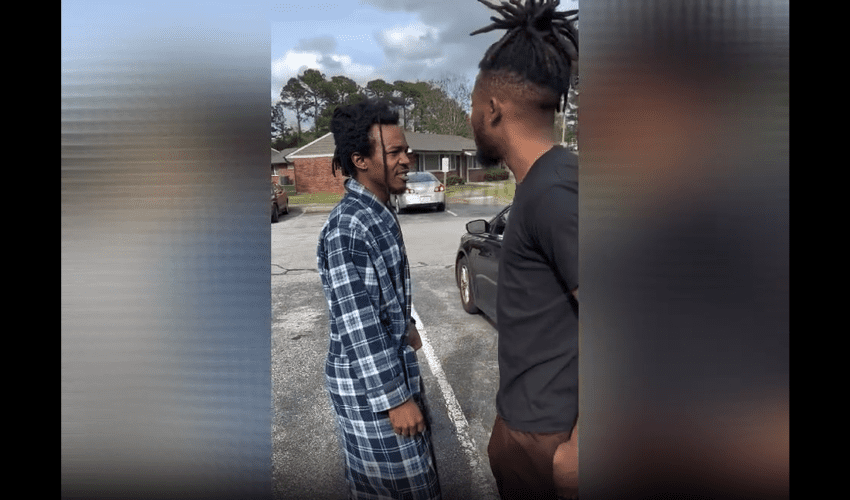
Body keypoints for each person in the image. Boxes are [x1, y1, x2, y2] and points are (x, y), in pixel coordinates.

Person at [469, 1, 579, 499]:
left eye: (473, 104)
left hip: (551, 437)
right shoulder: (544, 184)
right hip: (527, 423)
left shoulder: (555, 190)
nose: (470, 116)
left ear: (492, 108)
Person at [316, 98, 441, 500]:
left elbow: (383, 294)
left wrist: (407, 326)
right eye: (394, 152)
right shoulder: (349, 227)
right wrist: (396, 400)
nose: (407, 159)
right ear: (361, 160)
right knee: (398, 489)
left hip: (387, 370)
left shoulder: (377, 211)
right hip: (369, 390)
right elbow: (359, 323)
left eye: (406, 150)